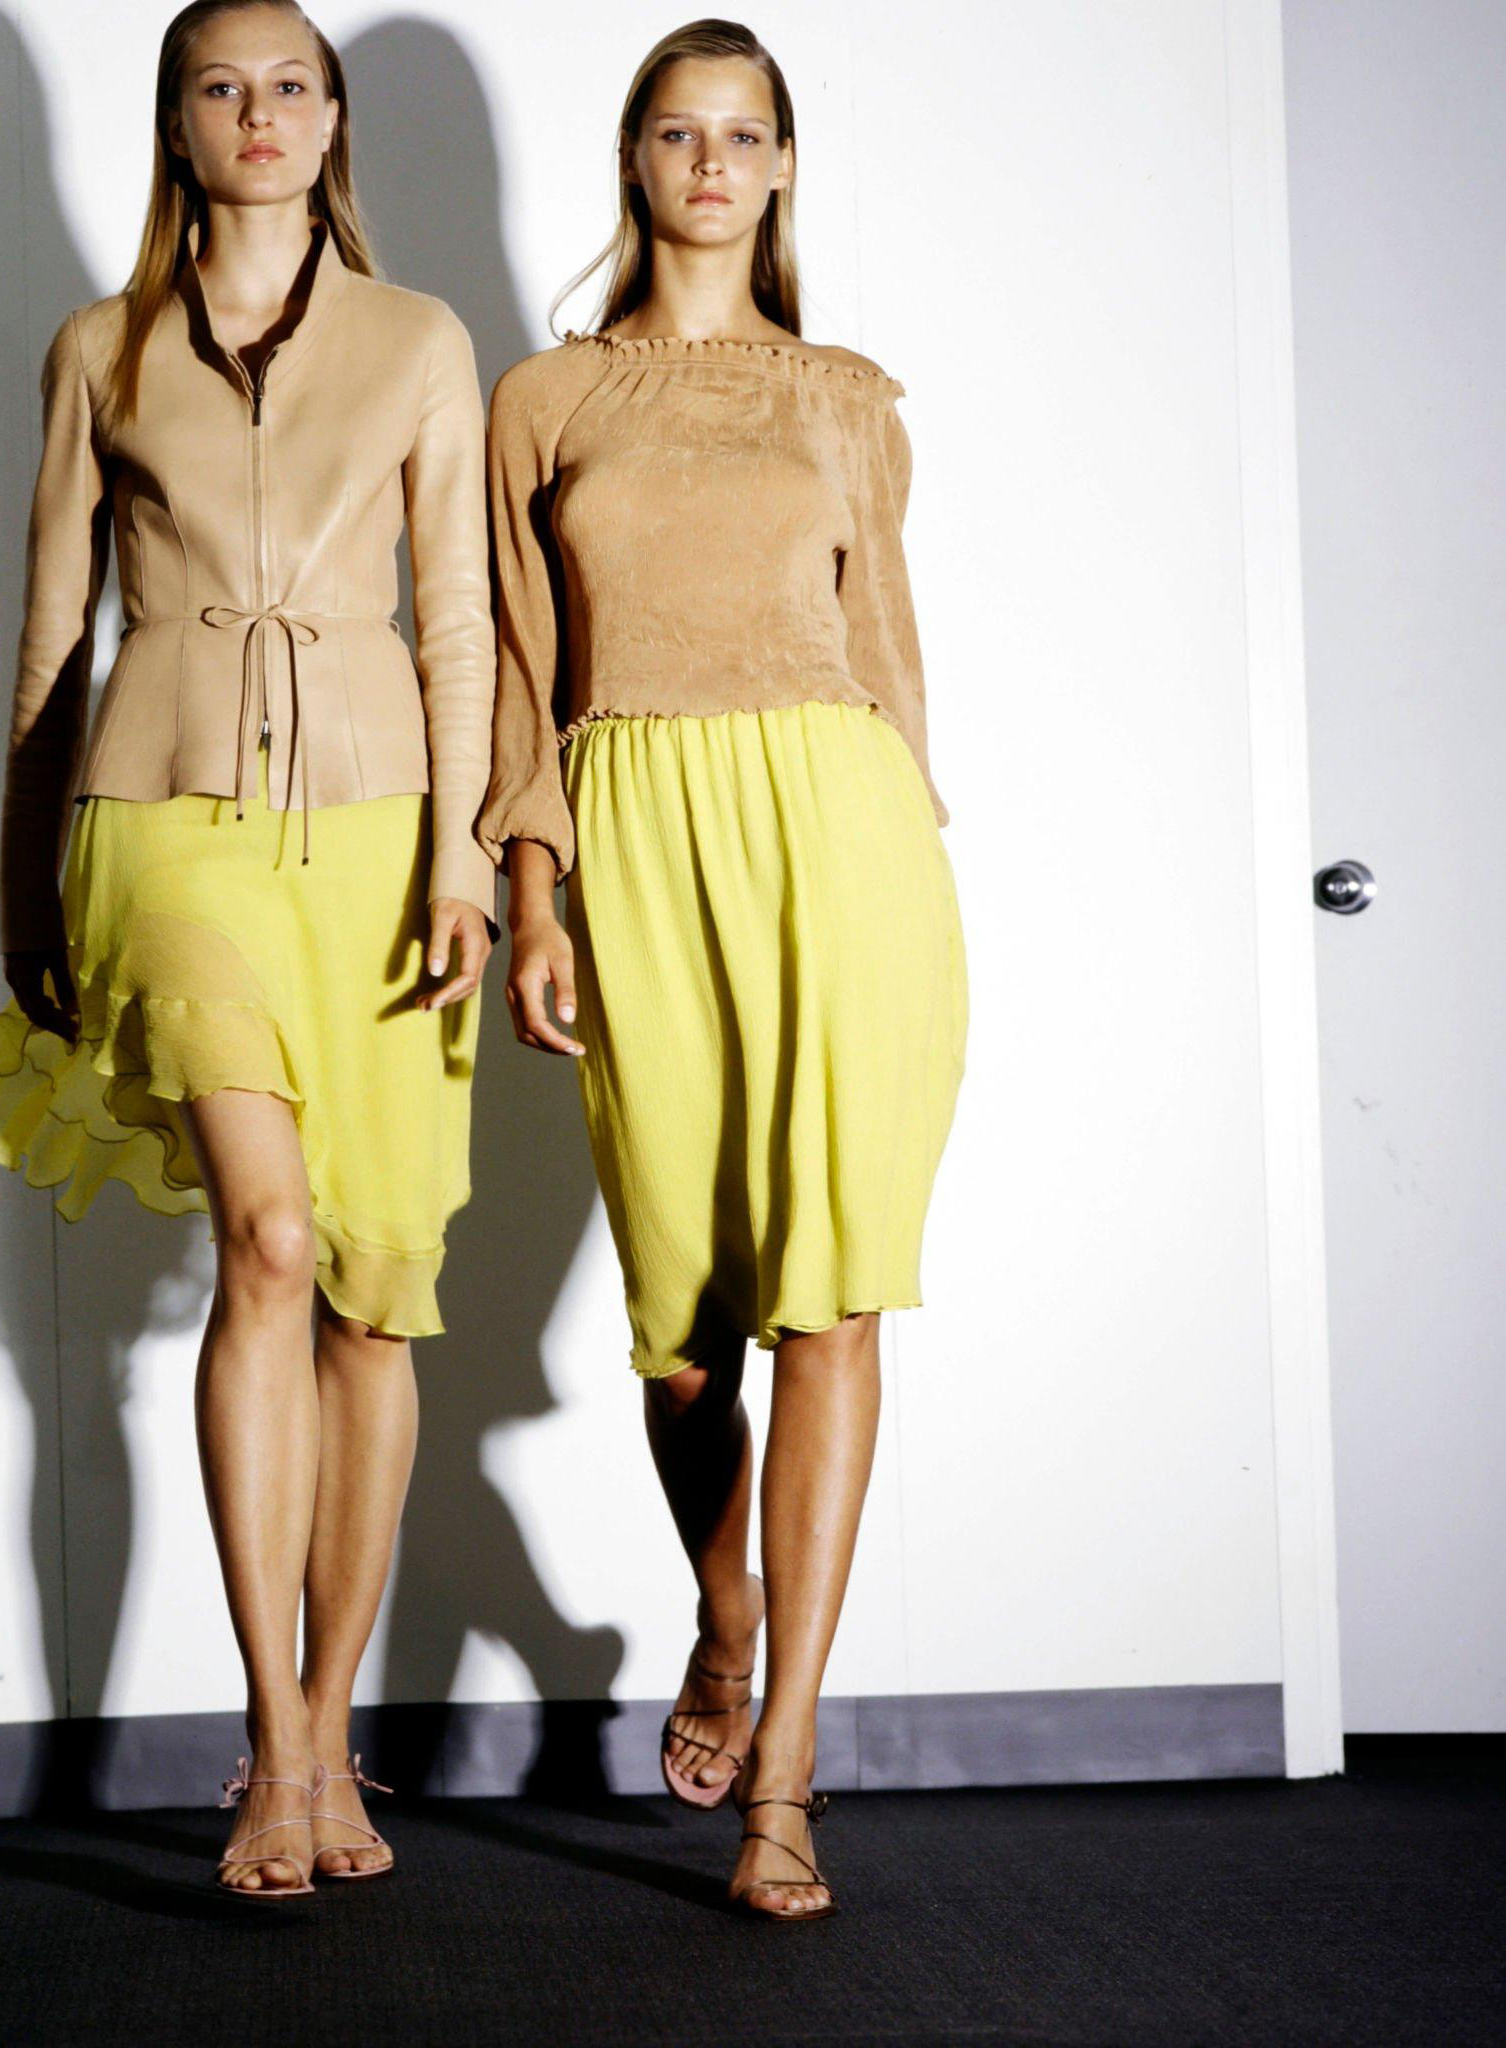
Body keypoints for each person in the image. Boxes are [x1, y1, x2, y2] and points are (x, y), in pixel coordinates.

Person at [0, 0, 495, 1898]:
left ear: (331, 122)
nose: (257, 113)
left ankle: (334, 1736)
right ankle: (273, 1746)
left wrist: (469, 856)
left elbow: (459, 626)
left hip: (381, 835)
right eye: (218, 87)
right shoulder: (98, 349)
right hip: (164, 824)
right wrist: (22, 883)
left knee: (369, 1292)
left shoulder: (419, 340)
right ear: (175, 124)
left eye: (289, 85)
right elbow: (52, 636)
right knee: (265, 1236)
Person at [476, 18, 968, 1922]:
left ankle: (786, 1771)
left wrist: (915, 839)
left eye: (741, 134)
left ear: (779, 166)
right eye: (676, 132)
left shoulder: (846, 398)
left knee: (832, 1300)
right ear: (634, 157)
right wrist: (534, 893)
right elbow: (522, 670)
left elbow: (890, 654)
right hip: (637, 835)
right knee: (686, 1332)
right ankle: (724, 1609)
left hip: (840, 841)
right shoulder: (547, 397)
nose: (708, 162)